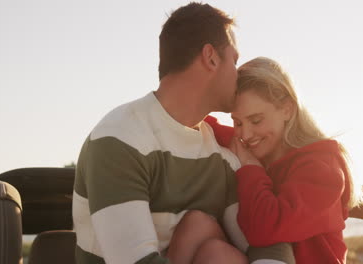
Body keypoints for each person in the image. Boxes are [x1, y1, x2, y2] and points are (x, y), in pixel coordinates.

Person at [72, 3, 294, 264]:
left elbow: (266, 242)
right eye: (234, 61)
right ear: (211, 57)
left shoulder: (224, 156)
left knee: (214, 249)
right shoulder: (120, 138)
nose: (239, 75)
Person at [206, 57, 363, 264]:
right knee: (199, 227)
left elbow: (264, 230)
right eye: (237, 122)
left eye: (256, 120)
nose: (245, 133)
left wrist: (251, 168)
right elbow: (204, 127)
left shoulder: (322, 167)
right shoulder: (259, 146)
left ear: (287, 109)